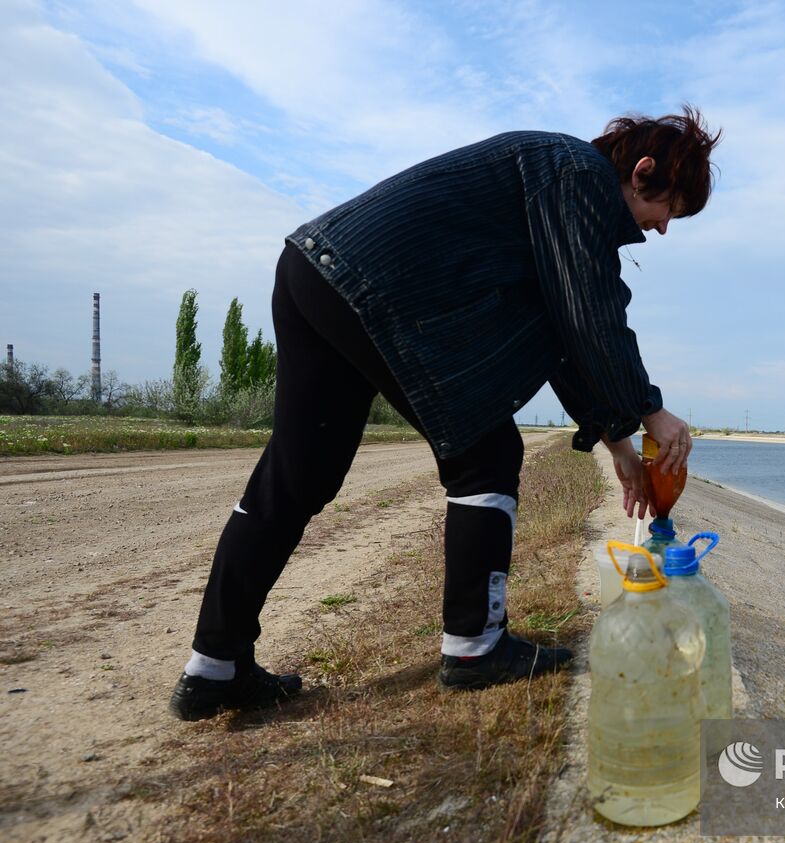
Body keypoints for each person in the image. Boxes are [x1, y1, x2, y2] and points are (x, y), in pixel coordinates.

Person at [169, 108, 721, 720]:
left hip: (313, 269)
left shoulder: (555, 179)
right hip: (371, 284)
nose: (664, 229)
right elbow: (589, 313)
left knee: (296, 474)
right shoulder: (579, 176)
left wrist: (616, 435)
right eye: (671, 207)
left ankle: (214, 666)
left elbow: (562, 327)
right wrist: (649, 411)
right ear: (643, 172)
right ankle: (475, 649)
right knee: (486, 451)